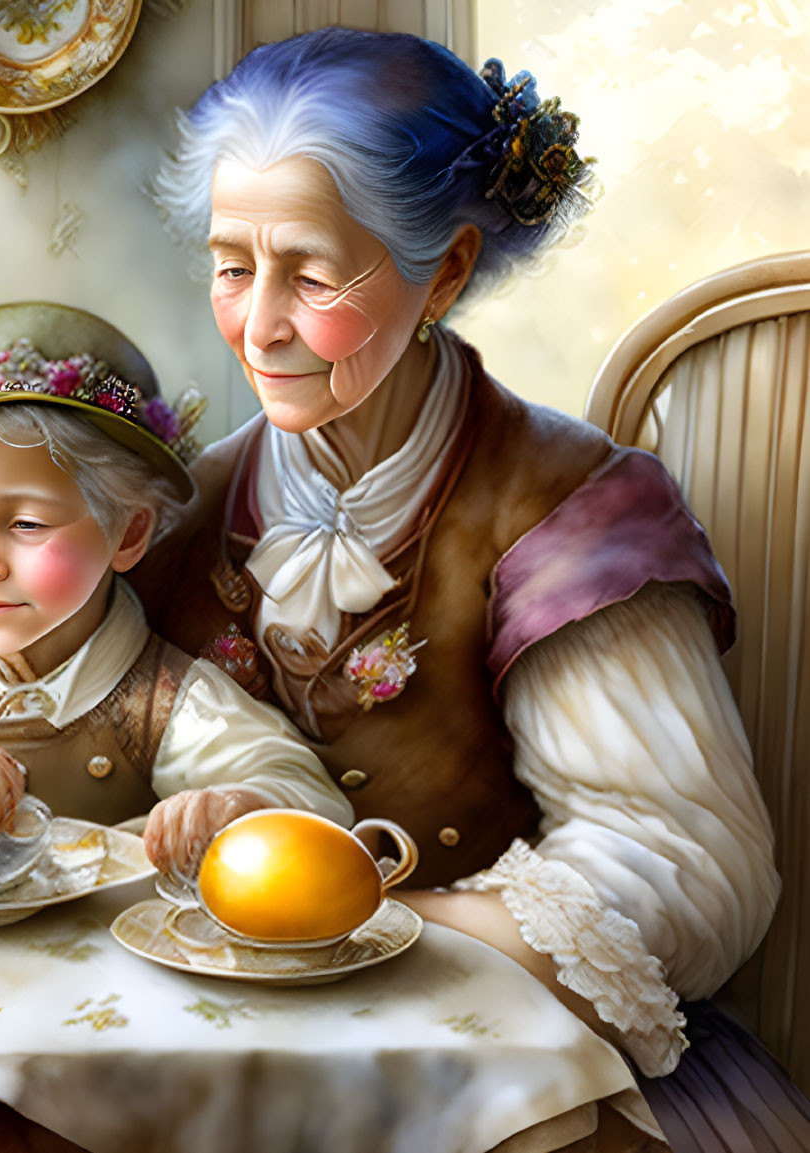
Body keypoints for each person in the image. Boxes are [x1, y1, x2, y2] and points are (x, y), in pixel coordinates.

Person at [132, 28, 805, 1149]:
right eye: (232, 266)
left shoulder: (570, 510)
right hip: (222, 1041)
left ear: (442, 267)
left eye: (309, 271)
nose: (259, 326)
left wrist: (395, 927)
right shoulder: (184, 506)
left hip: (501, 1060)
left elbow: (686, 868)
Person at [0, 302, 351, 867]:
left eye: (26, 524)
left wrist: (236, 807)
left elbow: (317, 807)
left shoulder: (167, 703)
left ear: (127, 533)